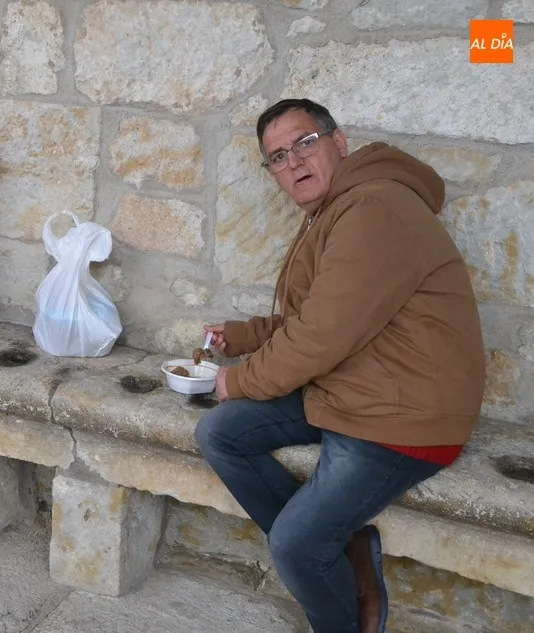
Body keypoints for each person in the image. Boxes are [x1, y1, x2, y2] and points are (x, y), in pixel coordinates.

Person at [194, 99, 485, 633]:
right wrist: (243, 336)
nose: (294, 162)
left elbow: (320, 337)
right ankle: (345, 542)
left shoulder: (374, 209)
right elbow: (318, 320)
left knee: (295, 546)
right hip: (352, 390)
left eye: (304, 143)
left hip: (404, 417)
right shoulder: (338, 210)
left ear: (339, 142)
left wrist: (240, 378)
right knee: (221, 433)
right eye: (278, 156)